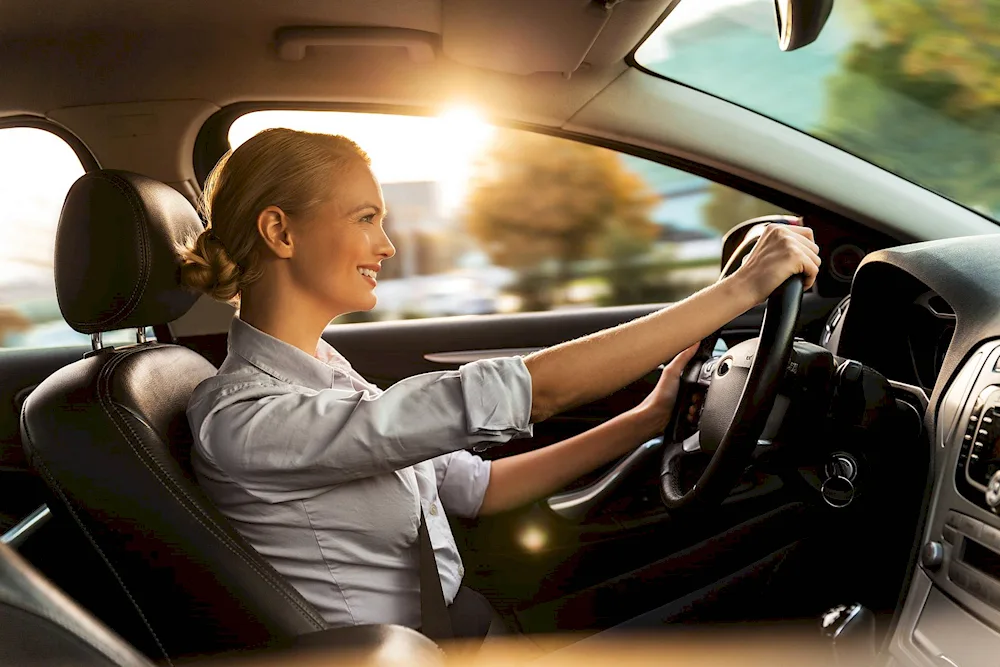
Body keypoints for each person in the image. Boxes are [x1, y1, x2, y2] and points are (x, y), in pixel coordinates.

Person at [179, 128, 821, 640]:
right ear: (280, 232)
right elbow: (529, 393)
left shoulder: (326, 375)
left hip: (470, 622)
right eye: (367, 218)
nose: (387, 245)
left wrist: (650, 417)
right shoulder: (246, 421)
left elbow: (476, 488)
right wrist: (738, 291)